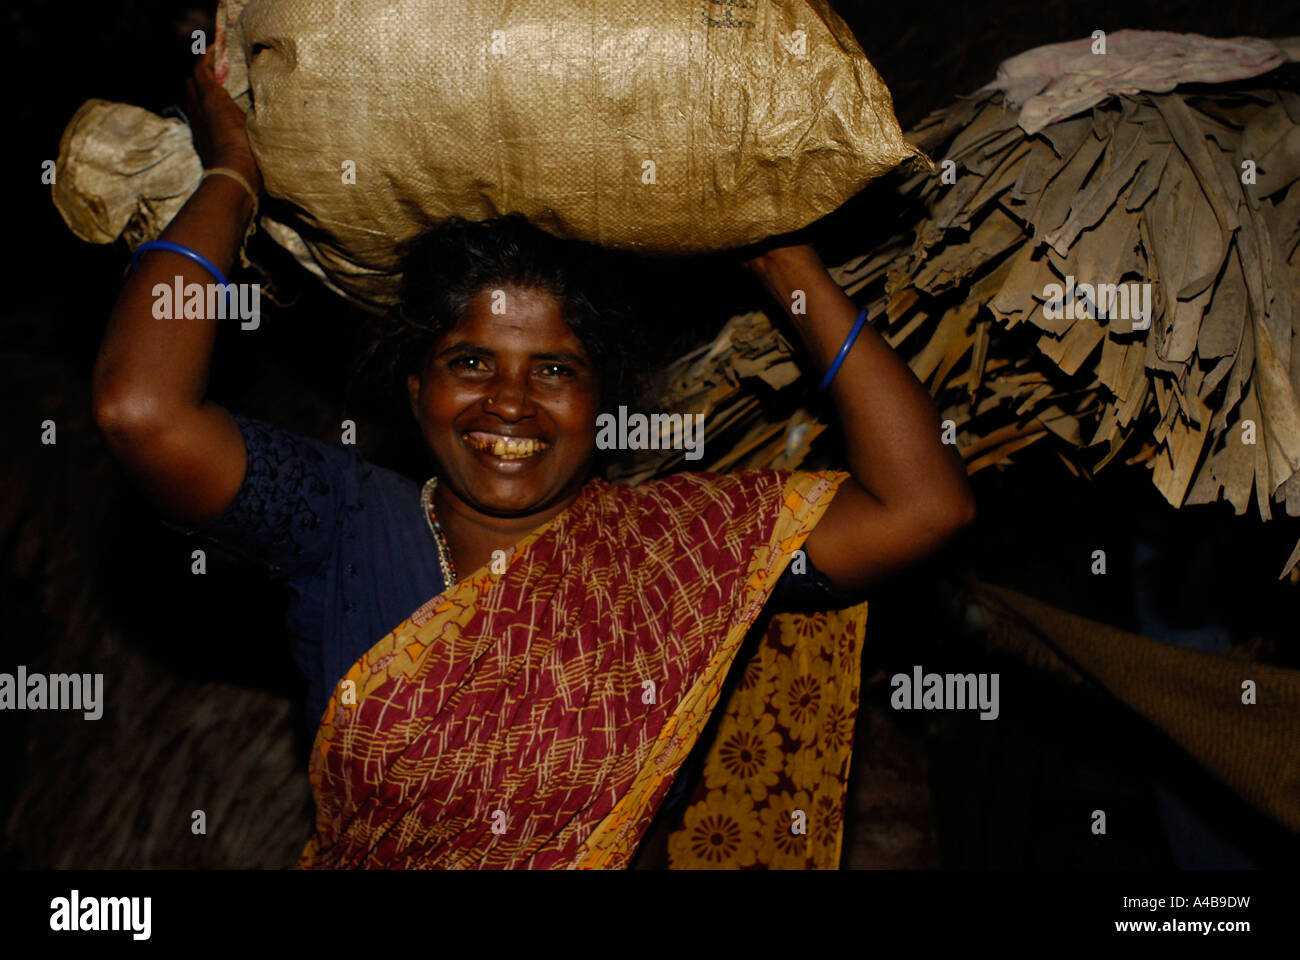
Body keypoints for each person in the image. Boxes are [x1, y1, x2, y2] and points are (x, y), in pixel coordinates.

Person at [91, 49, 976, 869]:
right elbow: (140, 408)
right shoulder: (343, 521)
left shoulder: (676, 554)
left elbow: (923, 504)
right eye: (470, 362)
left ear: (600, 405)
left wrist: (777, 254)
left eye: (555, 370)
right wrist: (233, 175)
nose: (510, 403)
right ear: (415, 388)